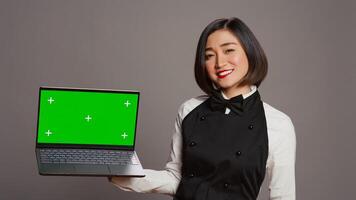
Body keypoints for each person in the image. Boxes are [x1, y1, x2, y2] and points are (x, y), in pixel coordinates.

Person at [109, 17, 296, 200]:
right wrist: (119, 171)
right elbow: (176, 179)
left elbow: (283, 196)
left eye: (229, 50)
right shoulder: (189, 109)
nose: (220, 63)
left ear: (250, 52)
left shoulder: (278, 123)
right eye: (209, 55)